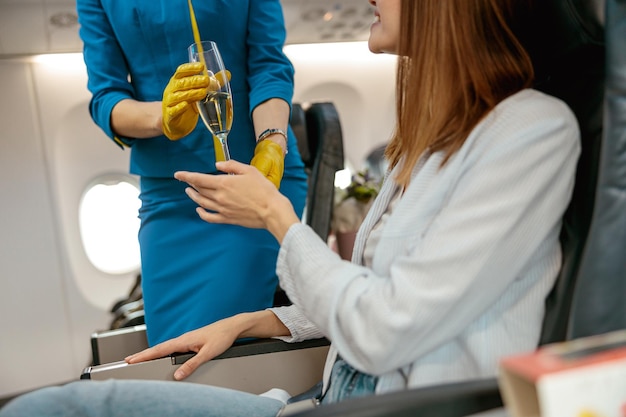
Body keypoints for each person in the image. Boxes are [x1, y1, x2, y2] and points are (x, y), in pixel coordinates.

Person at [0, 0, 580, 415]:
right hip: (177, 197)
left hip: (373, 398)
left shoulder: (528, 131)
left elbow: (385, 326)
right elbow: (374, 290)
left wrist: (275, 207)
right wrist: (252, 323)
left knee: (55, 409)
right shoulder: (424, 144)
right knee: (64, 402)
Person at [75, 0, 308, 345]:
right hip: (171, 193)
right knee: (171, 346)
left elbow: (269, 65)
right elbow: (106, 96)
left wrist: (271, 143)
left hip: (252, 176)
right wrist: (162, 116)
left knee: (219, 344)